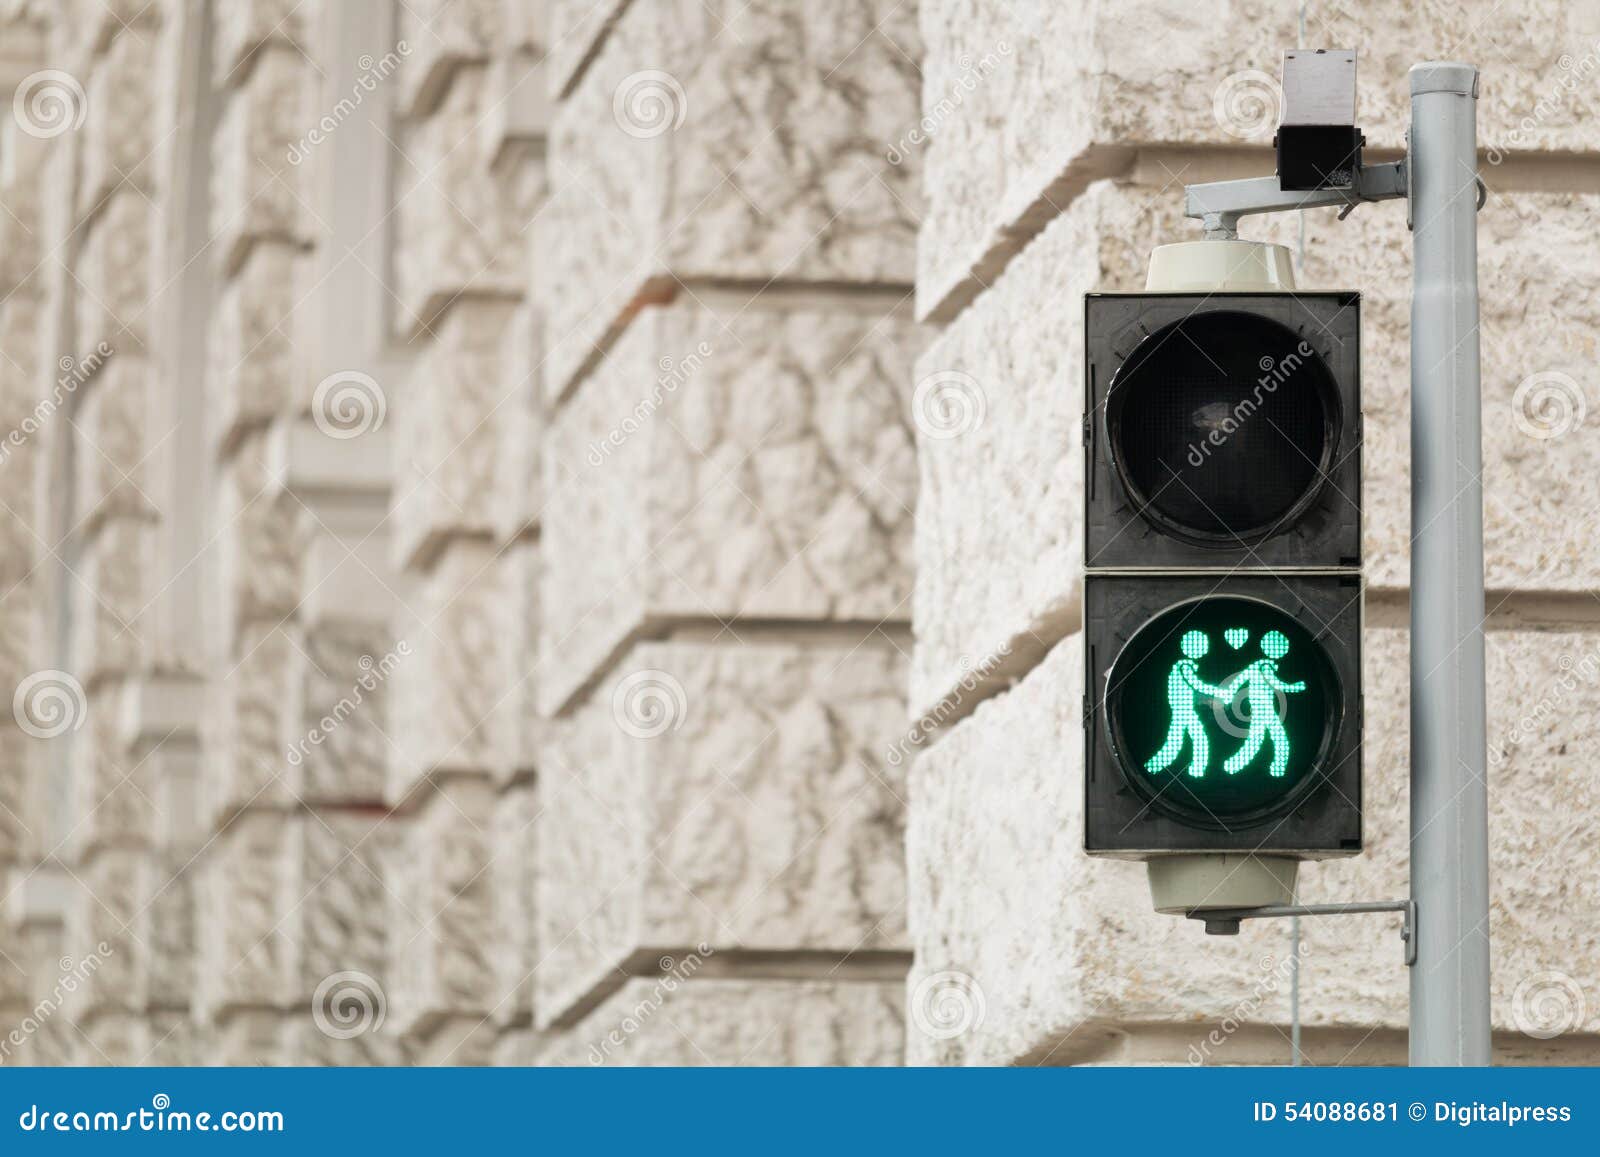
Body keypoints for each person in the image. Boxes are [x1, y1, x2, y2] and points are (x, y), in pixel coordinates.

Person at [1145, 630, 1233, 779]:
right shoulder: (1184, 667)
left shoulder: (1184, 666)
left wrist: (1207, 700)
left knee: (1181, 743)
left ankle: (1158, 767)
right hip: (1183, 711)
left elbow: (1193, 692)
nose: (1204, 649)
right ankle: (1191, 770)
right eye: (1202, 646)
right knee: (1192, 741)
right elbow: (1197, 685)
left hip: (1185, 710)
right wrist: (1220, 693)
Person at [1221, 630, 1306, 777]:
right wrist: (1294, 687)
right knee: (1276, 739)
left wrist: (1230, 692)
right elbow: (1276, 684)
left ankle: (1233, 766)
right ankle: (1273, 768)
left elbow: (1240, 678)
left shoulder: (1258, 665)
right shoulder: (1265, 666)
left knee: (1258, 740)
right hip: (1263, 709)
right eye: (1281, 649)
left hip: (1261, 708)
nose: (1283, 652)